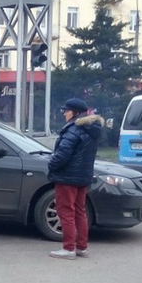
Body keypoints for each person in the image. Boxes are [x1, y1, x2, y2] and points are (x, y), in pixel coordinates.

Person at [47, 97, 104, 260]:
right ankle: (81, 247)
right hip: (83, 177)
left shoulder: (73, 129)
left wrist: (51, 164)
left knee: (66, 212)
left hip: (67, 177)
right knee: (80, 212)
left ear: (75, 113)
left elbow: (62, 154)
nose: (64, 113)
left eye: (66, 110)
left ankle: (68, 248)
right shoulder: (91, 129)